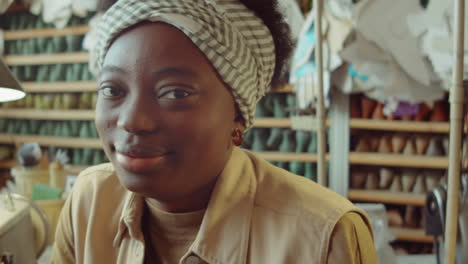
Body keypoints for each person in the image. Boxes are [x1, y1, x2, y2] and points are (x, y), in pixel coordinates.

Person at [51, 0, 378, 263]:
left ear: (238, 118)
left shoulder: (323, 239)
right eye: (112, 90)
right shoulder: (90, 202)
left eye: (175, 93)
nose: (132, 121)